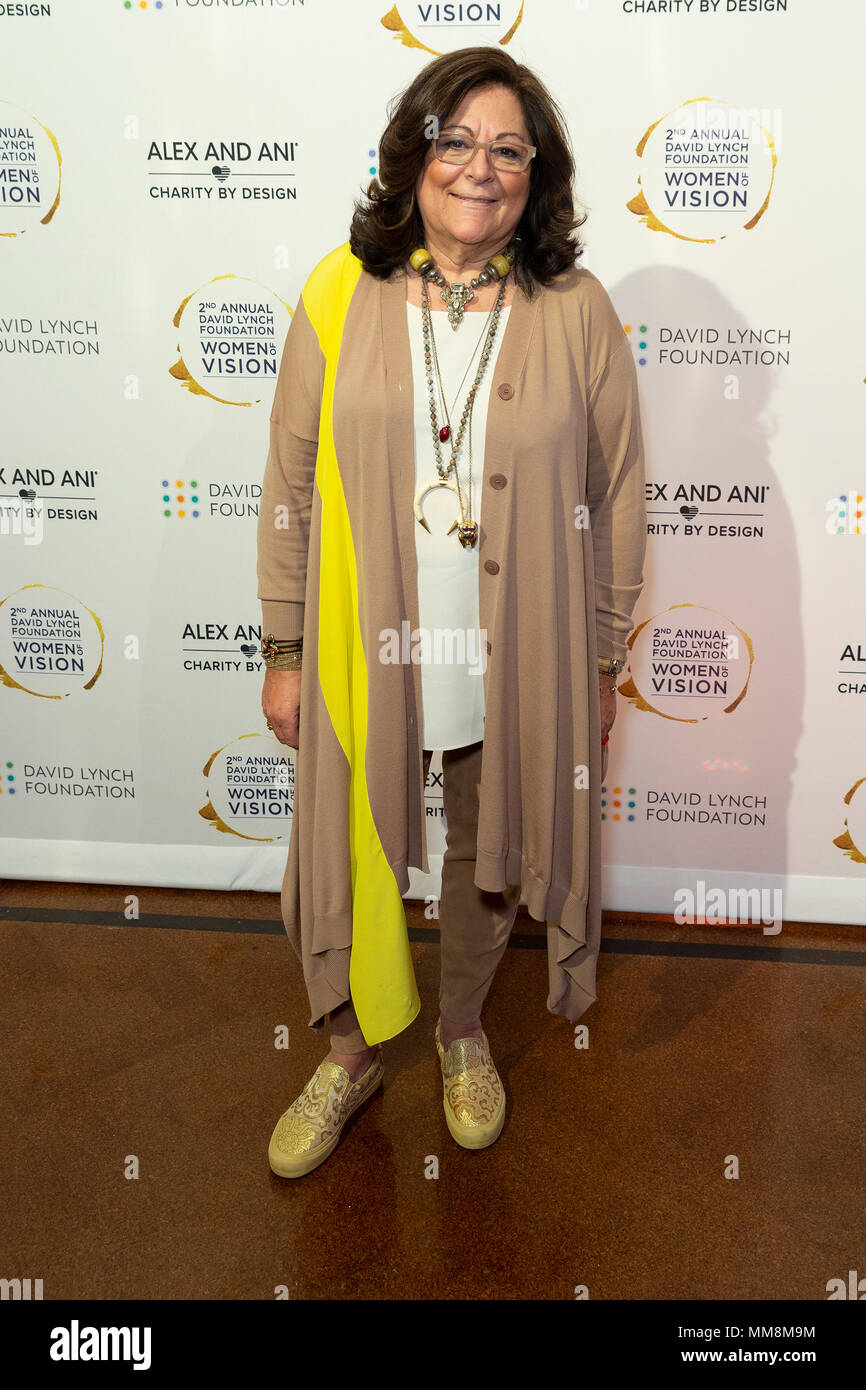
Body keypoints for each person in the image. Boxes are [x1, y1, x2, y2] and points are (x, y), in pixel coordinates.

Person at [256, 45, 647, 1178]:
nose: (481, 167)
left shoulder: (575, 309)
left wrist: (596, 661)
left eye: (509, 148)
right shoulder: (342, 289)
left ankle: (462, 1028)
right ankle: (347, 1047)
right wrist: (284, 647)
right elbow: (288, 486)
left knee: (485, 850)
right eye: (457, 140)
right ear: (414, 154)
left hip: (509, 648)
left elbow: (613, 494)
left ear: (538, 173)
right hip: (357, 647)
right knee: (346, 846)